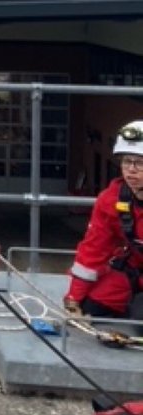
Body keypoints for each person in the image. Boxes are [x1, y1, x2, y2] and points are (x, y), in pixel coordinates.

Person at [64, 121, 143, 325]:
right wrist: (74, 298)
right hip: (133, 270)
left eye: (140, 163)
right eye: (127, 161)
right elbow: (94, 249)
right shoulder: (112, 199)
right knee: (91, 308)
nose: (131, 170)